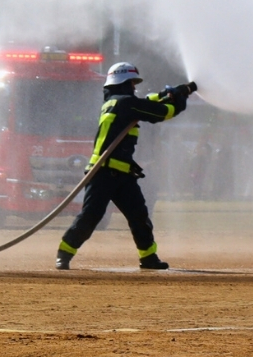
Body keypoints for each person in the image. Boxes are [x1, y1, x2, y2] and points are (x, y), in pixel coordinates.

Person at [55, 62, 191, 271]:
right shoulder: (125, 104)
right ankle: (64, 253)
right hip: (102, 172)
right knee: (91, 216)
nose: (134, 87)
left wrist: (166, 93)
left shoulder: (115, 102)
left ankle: (148, 257)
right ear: (124, 83)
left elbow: (145, 102)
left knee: (139, 215)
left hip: (122, 173)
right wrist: (178, 101)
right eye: (132, 83)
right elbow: (161, 112)